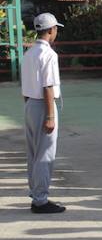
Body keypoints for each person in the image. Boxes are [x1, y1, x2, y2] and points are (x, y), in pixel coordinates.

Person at [21, 13, 65, 214]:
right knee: (45, 154)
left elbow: (26, 86)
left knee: (33, 154)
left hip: (30, 104)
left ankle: (35, 194)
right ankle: (40, 200)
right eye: (55, 29)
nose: (56, 32)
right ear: (50, 30)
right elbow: (48, 86)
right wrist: (50, 115)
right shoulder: (49, 55)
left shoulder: (29, 53)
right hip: (43, 105)